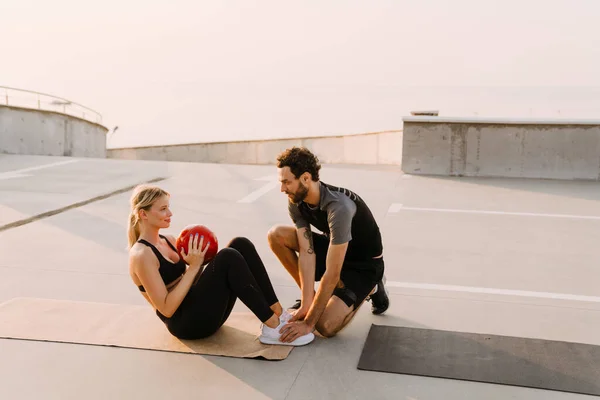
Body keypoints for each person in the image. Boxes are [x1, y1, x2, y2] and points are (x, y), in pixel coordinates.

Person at [127, 184, 314, 346]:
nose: (170, 213)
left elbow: (188, 284)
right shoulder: (141, 255)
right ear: (143, 214)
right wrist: (193, 268)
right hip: (187, 325)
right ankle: (273, 328)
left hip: (201, 310)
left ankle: (276, 313)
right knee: (227, 257)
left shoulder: (168, 240)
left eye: (168, 207)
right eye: (163, 209)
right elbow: (167, 308)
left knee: (240, 244)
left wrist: (199, 263)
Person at [267, 147, 390, 343]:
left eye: (286, 182)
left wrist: (308, 324)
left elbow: (332, 273)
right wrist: (307, 305)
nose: (282, 189)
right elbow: (307, 253)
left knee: (324, 326)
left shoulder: (339, 207)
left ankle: (373, 287)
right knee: (276, 235)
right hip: (335, 250)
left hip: (364, 266)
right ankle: (314, 301)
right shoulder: (296, 201)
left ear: (306, 178)